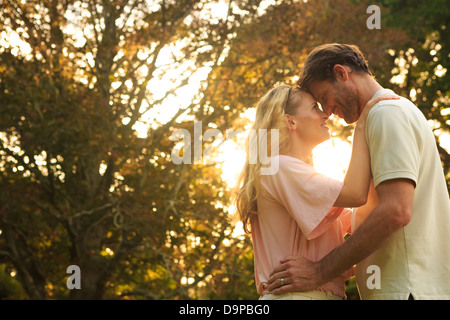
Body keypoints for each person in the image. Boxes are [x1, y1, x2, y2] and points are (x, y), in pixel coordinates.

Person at [266, 43, 450, 300]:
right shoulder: (385, 115)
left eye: (324, 98)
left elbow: (396, 211)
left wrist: (320, 271)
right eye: (318, 106)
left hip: (406, 288)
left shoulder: (386, 114)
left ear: (342, 73)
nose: (327, 112)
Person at [234, 83, 397, 300]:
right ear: (290, 121)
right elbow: (356, 194)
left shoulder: (292, 175)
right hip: (297, 295)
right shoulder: (280, 167)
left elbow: (358, 221)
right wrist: (363, 124)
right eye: (314, 108)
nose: (325, 114)